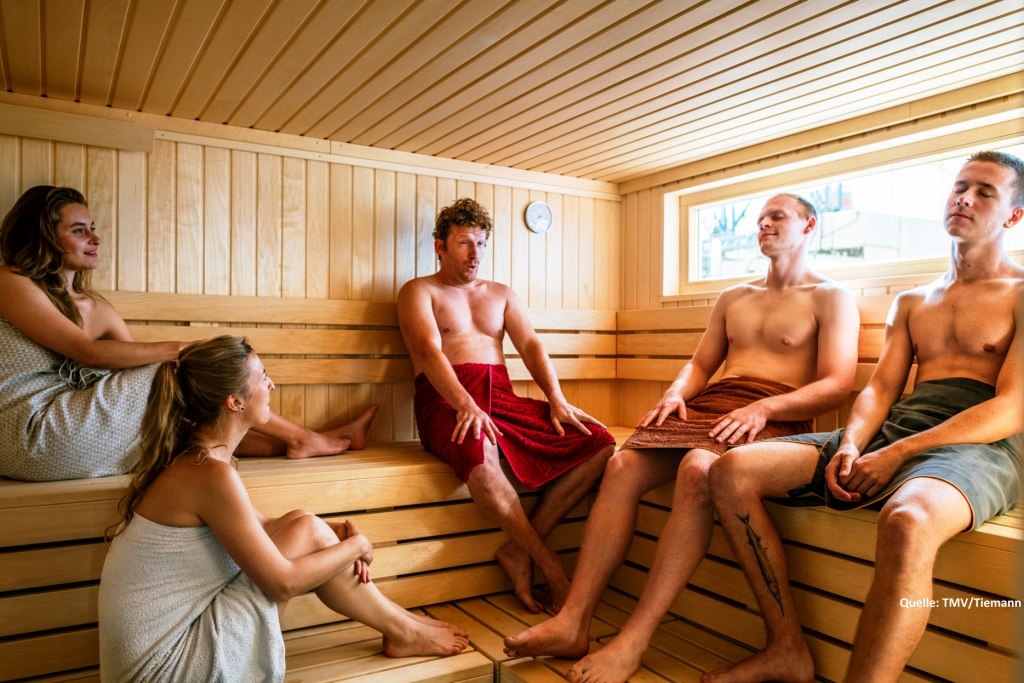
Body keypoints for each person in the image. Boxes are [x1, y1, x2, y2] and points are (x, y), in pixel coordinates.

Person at [504, 193, 860, 682]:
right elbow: (700, 365)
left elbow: (837, 384)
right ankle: (573, 621)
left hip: (775, 413)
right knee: (622, 463)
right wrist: (675, 393)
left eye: (777, 216)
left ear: (809, 226)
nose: (763, 224)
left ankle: (633, 641)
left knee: (697, 469)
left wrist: (764, 409)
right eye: (760, 219)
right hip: (715, 405)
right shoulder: (735, 297)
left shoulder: (830, 297)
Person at [705, 150, 1024, 683]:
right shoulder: (914, 301)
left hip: (981, 444)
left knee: (907, 520)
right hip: (901, 427)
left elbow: (1011, 408)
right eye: (959, 187)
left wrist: (898, 453)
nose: (964, 199)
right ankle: (786, 646)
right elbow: (879, 391)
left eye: (984, 192)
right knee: (730, 470)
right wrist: (853, 443)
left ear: (1014, 215)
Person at [98, 335, 468, 681]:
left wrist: (334, 534)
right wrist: (356, 546)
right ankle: (403, 629)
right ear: (235, 401)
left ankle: (402, 625)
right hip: (166, 669)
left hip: (169, 647)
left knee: (305, 523)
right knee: (306, 530)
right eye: (263, 377)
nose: (271, 385)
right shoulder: (208, 473)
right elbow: (281, 582)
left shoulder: (198, 461)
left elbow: (261, 526)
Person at [0, 185, 376, 481]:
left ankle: (311, 439)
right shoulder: (11, 281)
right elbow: (85, 351)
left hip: (75, 439)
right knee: (178, 371)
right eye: (79, 231)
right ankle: (304, 438)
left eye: (92, 228)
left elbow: (143, 384)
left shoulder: (97, 309)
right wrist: (181, 350)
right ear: (44, 236)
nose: (95, 239)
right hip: (31, 435)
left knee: (186, 421)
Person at [396, 197, 616, 613]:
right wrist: (465, 404)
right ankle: (551, 567)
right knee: (479, 454)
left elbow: (530, 344)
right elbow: (427, 351)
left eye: (481, 243)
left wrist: (557, 399)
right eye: (464, 243)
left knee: (599, 443)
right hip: (446, 400)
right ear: (440, 246)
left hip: (501, 398)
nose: (475, 254)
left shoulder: (500, 294)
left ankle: (519, 549)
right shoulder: (419, 291)